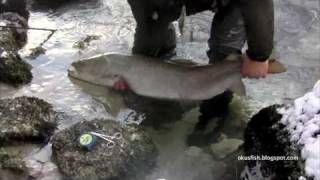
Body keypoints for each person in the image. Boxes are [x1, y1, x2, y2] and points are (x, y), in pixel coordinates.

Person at [123, 0, 274, 135]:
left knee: (223, 52)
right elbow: (149, 23)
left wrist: (259, 55)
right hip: (162, 5)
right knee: (150, 41)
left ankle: (212, 122)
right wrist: (132, 73)